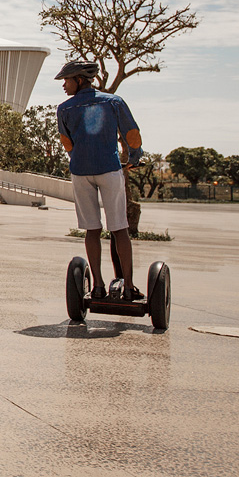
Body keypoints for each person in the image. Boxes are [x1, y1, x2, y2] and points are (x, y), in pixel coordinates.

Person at [55, 59, 144, 300]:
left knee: (92, 230)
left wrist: (79, 157)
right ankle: (128, 287)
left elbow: (67, 143)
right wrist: (135, 156)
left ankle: (97, 286)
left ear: (79, 80)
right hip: (109, 169)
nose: (64, 85)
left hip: (80, 172)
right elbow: (131, 134)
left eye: (66, 80)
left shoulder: (64, 109)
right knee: (119, 229)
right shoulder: (113, 101)